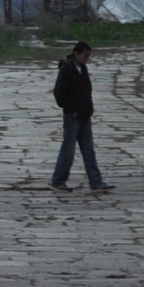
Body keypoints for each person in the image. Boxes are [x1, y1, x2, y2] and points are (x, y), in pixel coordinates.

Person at [51, 40, 114, 194]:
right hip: (72, 117)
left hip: (85, 116)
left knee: (88, 150)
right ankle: (58, 180)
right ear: (76, 54)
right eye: (85, 56)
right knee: (68, 150)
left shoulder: (83, 69)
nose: (87, 59)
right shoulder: (66, 70)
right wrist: (70, 109)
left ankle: (96, 181)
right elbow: (59, 94)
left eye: (89, 56)